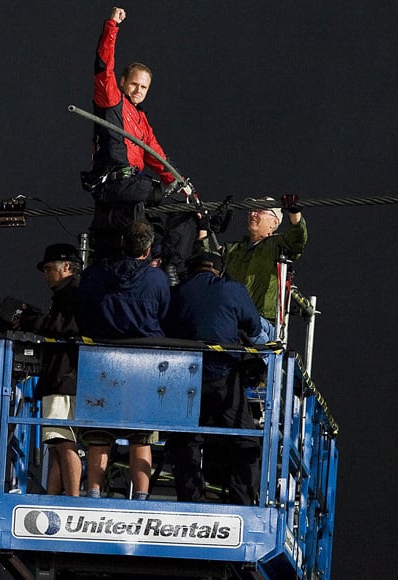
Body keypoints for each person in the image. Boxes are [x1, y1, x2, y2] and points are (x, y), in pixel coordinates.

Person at [82, 6, 201, 277]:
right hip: (116, 182)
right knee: (168, 203)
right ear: (123, 81)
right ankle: (167, 264)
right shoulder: (111, 100)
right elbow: (103, 66)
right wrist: (112, 26)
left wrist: (184, 186)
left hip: (132, 188)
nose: (138, 90)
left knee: (180, 207)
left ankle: (168, 264)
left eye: (144, 87)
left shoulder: (141, 120)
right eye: (134, 84)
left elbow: (157, 157)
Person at [77, 220, 169, 499]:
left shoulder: (95, 274)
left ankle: (93, 491)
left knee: (99, 434)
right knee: (141, 435)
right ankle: (141, 497)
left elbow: (82, 312)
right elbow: (164, 313)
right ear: (148, 249)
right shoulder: (157, 279)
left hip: (100, 361)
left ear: (121, 244)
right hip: (144, 364)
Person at [164, 252, 262, 505]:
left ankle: (191, 499)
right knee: (247, 440)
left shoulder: (176, 293)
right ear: (219, 270)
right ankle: (242, 502)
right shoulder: (231, 289)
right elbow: (254, 326)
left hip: (184, 378)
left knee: (184, 439)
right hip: (224, 376)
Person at [17, 243, 84, 497]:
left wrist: (30, 321)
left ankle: (73, 500)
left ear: (66, 266)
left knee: (64, 441)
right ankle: (53, 497)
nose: (45, 275)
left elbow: (66, 326)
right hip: (60, 377)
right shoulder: (68, 293)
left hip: (63, 379)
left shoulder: (73, 292)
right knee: (56, 443)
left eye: (48, 269)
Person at [217, 194, 307, 342]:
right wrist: (204, 228)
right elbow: (204, 265)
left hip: (261, 324)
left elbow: (298, 239)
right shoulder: (233, 250)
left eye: (259, 210)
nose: (253, 214)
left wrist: (294, 213)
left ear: (274, 222)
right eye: (251, 210)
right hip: (231, 321)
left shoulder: (277, 246)